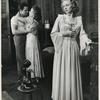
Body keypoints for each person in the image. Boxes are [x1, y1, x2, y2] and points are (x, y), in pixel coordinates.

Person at [50, 0, 92, 100]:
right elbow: (53, 33)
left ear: (73, 5)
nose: (65, 7)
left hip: (73, 47)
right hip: (62, 47)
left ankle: (72, 96)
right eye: (63, 6)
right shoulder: (60, 18)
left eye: (67, 5)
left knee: (72, 71)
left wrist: (87, 41)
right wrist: (64, 34)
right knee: (62, 72)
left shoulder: (78, 19)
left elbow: (82, 34)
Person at [11, 3, 33, 80]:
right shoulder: (14, 18)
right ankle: (22, 78)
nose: (27, 12)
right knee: (21, 59)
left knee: (26, 57)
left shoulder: (25, 18)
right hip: (19, 39)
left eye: (27, 10)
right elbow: (14, 31)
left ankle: (27, 77)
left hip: (26, 38)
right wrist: (26, 31)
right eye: (25, 10)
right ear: (20, 10)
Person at [25, 5, 44, 81]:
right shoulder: (28, 20)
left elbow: (28, 29)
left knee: (34, 56)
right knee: (29, 56)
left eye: (31, 11)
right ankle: (31, 75)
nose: (29, 12)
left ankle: (36, 75)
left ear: (35, 13)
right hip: (29, 40)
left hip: (33, 41)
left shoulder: (35, 22)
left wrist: (27, 27)